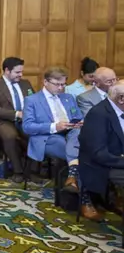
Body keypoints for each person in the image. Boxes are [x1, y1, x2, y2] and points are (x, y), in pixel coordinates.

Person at [21, 67, 100, 220]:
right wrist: (54, 126)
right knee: (82, 154)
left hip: (71, 133)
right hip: (47, 136)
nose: (60, 87)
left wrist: (79, 123)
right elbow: (27, 127)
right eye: (57, 84)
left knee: (79, 138)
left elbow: (77, 116)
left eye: (63, 84)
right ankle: (85, 200)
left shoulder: (68, 97)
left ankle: (73, 177)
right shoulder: (32, 100)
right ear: (45, 82)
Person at [0, 57, 35, 183]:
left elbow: (35, 100)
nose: (21, 75)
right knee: (10, 135)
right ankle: (18, 171)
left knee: (36, 135)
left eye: (21, 72)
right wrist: (16, 114)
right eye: (17, 72)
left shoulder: (26, 84)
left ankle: (32, 171)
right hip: (1, 121)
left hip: (25, 121)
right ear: (7, 71)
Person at [79, 80, 124, 218]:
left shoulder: (119, 108)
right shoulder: (98, 114)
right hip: (102, 166)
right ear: (122, 99)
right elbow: (98, 153)